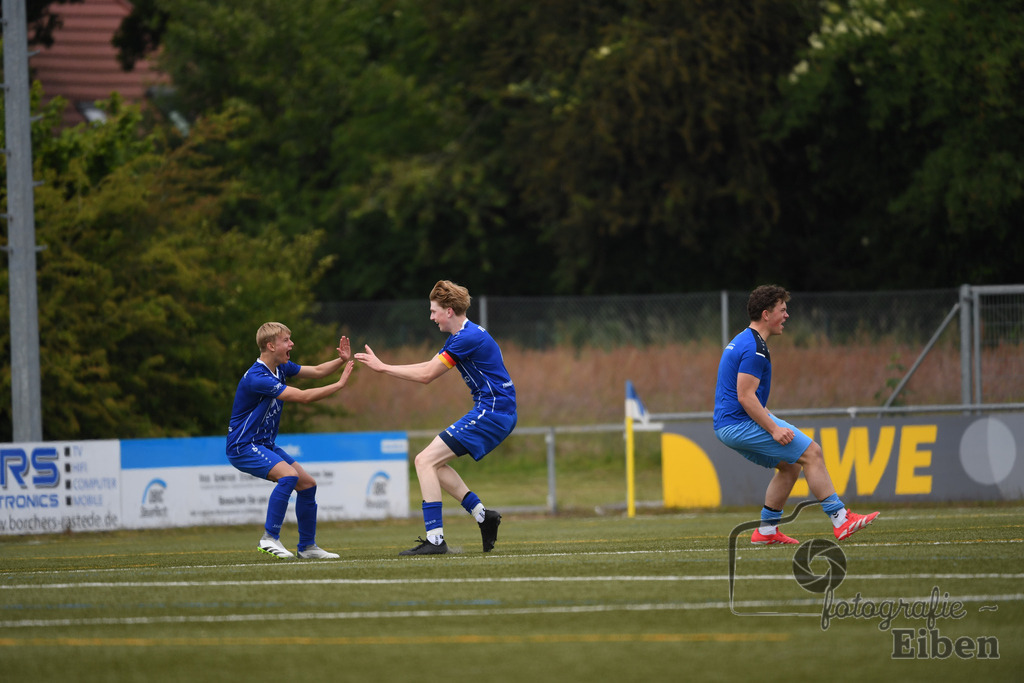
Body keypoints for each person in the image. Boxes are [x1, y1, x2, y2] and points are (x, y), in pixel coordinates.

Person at [355, 280, 516, 556]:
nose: (431, 317)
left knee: (423, 460)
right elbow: (428, 366)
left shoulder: (466, 338)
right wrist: (385, 367)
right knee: (435, 465)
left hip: (493, 411)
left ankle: (436, 540)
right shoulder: (462, 336)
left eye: (434, 311)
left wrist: (383, 369)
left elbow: (427, 376)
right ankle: (483, 516)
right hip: (494, 410)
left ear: (449, 310)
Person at [713, 285, 879, 545]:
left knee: (790, 466)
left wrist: (770, 419)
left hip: (729, 425)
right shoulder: (755, 347)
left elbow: (743, 396)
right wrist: (773, 428)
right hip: (737, 424)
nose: (787, 315)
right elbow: (745, 397)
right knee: (812, 453)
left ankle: (766, 531)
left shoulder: (744, 340)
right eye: (783, 309)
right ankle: (841, 519)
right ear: (766, 314)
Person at [226, 322, 355, 560]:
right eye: (286, 340)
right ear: (270, 345)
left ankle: (307, 547)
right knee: (289, 476)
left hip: (263, 444)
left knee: (307, 484)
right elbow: (304, 397)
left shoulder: (281, 367)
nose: (291, 344)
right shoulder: (258, 377)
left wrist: (340, 361)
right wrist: (339, 384)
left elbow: (316, 371)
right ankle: (269, 538)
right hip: (243, 446)